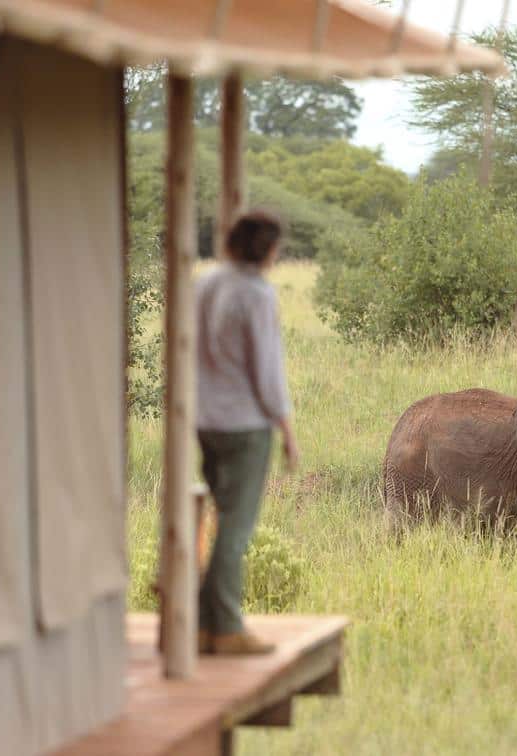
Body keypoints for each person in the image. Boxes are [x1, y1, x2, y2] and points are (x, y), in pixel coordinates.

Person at [195, 210, 299, 655]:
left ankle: (203, 625)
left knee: (221, 519)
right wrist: (287, 429)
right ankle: (227, 628)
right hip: (245, 425)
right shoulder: (257, 293)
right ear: (268, 250)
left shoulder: (206, 283)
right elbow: (268, 371)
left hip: (205, 420)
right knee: (235, 528)